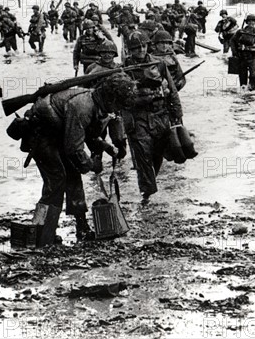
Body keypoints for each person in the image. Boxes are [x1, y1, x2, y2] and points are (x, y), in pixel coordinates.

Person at [23, 72, 137, 244]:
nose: (116, 110)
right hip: (41, 137)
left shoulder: (97, 103)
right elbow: (74, 149)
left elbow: (86, 134)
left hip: (61, 135)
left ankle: (82, 228)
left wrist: (106, 147)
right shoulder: (82, 106)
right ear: (111, 98)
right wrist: (91, 165)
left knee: (74, 179)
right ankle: (41, 231)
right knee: (56, 181)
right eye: (117, 105)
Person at [122, 32, 183, 201]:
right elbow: (122, 99)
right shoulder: (123, 69)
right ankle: (147, 193)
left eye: (143, 46)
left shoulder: (159, 64)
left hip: (161, 114)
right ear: (129, 49)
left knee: (158, 153)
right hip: (139, 117)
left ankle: (150, 182)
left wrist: (177, 114)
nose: (140, 49)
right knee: (143, 154)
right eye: (136, 48)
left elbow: (172, 90)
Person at [230, 14, 255, 91]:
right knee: (242, 77)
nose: (251, 23)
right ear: (246, 22)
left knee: (253, 76)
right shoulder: (240, 32)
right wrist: (234, 53)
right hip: (241, 58)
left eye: (253, 21)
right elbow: (232, 41)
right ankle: (243, 93)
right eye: (249, 21)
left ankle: (252, 93)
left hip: (253, 58)